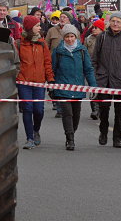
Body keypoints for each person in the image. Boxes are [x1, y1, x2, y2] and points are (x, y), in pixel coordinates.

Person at [93, 11, 121, 148]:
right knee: (104, 109)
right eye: (113, 21)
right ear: (109, 22)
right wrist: (95, 76)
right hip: (103, 80)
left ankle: (117, 138)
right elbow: (95, 58)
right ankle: (103, 132)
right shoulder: (102, 37)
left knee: (119, 111)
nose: (115, 24)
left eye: (118, 22)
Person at [52, 24, 97, 151]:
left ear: (76, 37)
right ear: (63, 38)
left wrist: (93, 86)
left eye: (72, 36)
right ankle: (70, 139)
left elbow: (88, 69)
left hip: (78, 89)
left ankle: (71, 132)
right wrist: (51, 86)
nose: (70, 39)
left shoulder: (82, 51)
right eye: (67, 37)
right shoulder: (58, 52)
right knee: (67, 113)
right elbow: (53, 70)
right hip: (62, 88)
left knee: (76, 115)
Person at [17, 15, 54, 149]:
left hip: (39, 82)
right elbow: (16, 63)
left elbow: (47, 62)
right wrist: (19, 77)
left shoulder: (42, 43)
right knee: (27, 108)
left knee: (38, 110)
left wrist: (50, 79)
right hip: (24, 83)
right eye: (37, 25)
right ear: (29, 27)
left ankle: (36, 129)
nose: (40, 27)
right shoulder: (19, 44)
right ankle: (29, 138)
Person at [85, 18, 105, 120]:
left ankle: (100, 109)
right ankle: (94, 109)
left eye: (96, 28)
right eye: (93, 27)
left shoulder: (105, 38)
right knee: (93, 87)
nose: (93, 29)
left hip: (102, 67)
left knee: (101, 89)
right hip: (91, 66)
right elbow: (84, 52)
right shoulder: (88, 39)